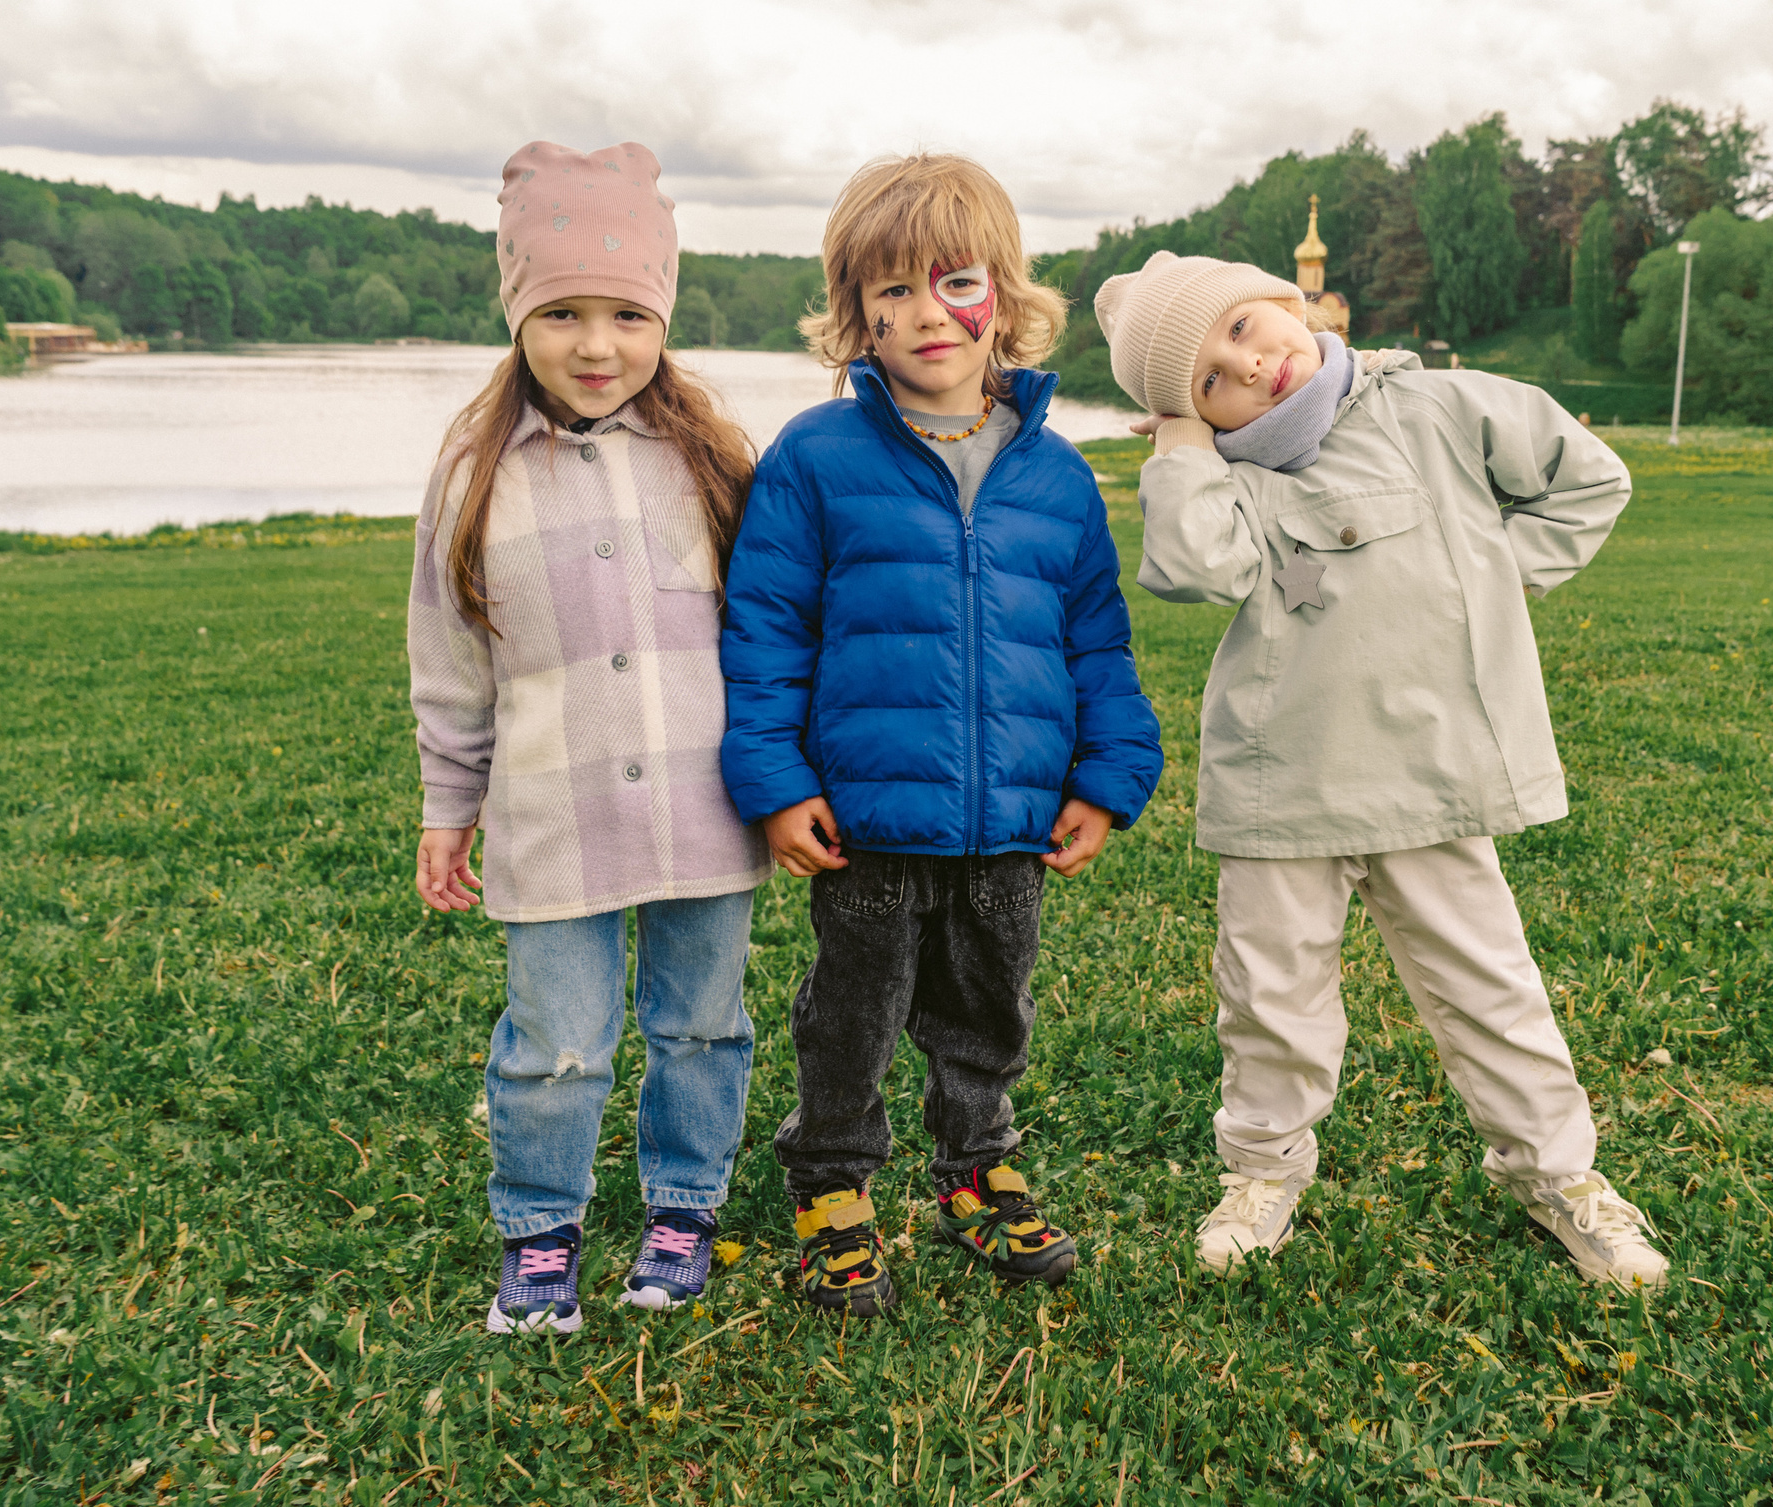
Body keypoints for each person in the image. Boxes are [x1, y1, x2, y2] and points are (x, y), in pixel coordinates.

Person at [1099, 249, 1667, 1290]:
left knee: (1490, 989)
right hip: (1282, 780)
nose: (1248, 368)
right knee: (1270, 996)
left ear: (1285, 300)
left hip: (1430, 772)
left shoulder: (1444, 406)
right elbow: (1188, 566)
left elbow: (1592, 478)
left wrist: (1487, 586)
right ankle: (1263, 1171)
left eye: (1241, 329)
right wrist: (1181, 444)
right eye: (1208, 383)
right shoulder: (1227, 472)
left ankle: (1556, 1174)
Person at [720, 154, 1164, 1316]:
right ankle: (831, 1185)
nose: (926, 314)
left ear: (1003, 298)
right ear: (855, 316)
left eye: (951, 282)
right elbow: (764, 629)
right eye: (892, 293)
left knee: (988, 1005)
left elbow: (1095, 644)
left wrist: (1107, 781)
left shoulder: (1057, 478)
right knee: (852, 1014)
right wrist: (774, 782)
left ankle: (977, 1168)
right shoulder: (815, 460)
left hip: (1011, 818)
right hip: (866, 818)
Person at [409, 141, 769, 1336]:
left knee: (701, 1025)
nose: (596, 344)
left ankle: (680, 1212)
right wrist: (446, 805)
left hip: (706, 808)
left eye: (626, 313)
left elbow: (774, 634)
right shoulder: (472, 473)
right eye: (561, 313)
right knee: (554, 1041)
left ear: (663, 314)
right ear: (517, 315)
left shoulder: (714, 462)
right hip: (552, 814)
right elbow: (452, 660)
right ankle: (540, 1233)